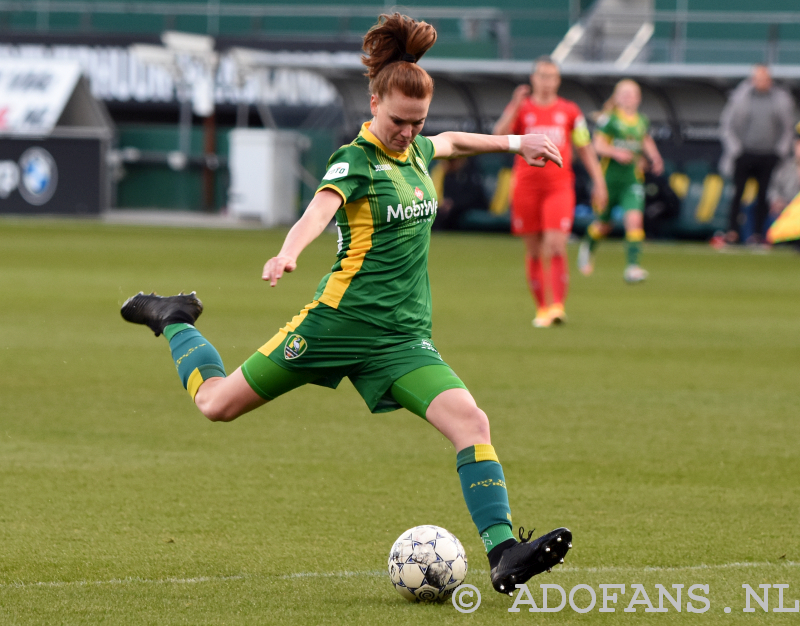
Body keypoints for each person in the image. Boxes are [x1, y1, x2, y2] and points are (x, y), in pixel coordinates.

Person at [120, 13, 571, 596]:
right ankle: (175, 319)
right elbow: (319, 210)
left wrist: (519, 143)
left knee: (471, 422)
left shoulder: (414, 153)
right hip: (336, 324)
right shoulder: (354, 160)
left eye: (417, 123)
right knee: (215, 404)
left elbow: (454, 141)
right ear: (374, 102)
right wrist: (287, 253)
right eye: (398, 121)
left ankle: (504, 551)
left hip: (402, 339)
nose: (409, 132)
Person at [493, 56, 607, 328]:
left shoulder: (569, 112)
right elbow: (498, 136)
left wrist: (598, 181)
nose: (546, 81)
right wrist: (514, 106)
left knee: (556, 245)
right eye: (541, 76)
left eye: (551, 76)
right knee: (533, 250)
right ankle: (541, 308)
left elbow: (584, 148)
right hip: (526, 187)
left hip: (558, 187)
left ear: (558, 80)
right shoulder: (522, 108)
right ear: (533, 78)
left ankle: (557, 306)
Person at [577, 79, 664, 284]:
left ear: (638, 98)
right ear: (616, 97)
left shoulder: (641, 120)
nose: (628, 97)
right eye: (623, 93)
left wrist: (655, 157)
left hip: (632, 180)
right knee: (604, 225)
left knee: (634, 220)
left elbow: (644, 139)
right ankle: (587, 249)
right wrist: (615, 152)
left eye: (632, 93)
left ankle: (633, 267)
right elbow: (597, 146)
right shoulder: (610, 120)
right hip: (608, 181)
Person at [719, 64, 795, 246]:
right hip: (744, 153)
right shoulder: (741, 97)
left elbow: (787, 129)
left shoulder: (781, 99)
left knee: (764, 196)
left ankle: (759, 235)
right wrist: (736, 150)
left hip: (769, 155)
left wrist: (779, 152)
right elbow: (727, 126)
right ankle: (732, 233)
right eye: (758, 78)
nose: (761, 82)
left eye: (765, 78)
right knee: (738, 194)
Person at [432, 157, 489, 230]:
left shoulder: (472, 172)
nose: (451, 164)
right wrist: (447, 203)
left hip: (475, 206)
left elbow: (474, 196)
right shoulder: (449, 175)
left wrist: (453, 203)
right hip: (457, 206)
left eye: (453, 161)